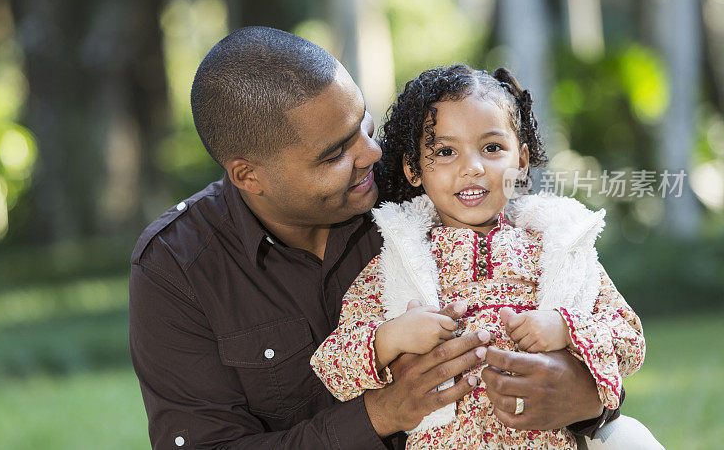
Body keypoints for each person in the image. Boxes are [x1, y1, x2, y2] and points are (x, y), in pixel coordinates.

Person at [129, 27, 620, 450]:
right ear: (249, 175)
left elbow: (576, 302)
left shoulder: (425, 189)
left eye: (362, 123)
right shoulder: (178, 265)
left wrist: (585, 391)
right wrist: (382, 413)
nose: (371, 153)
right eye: (335, 153)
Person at [310, 64, 661, 449]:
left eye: (492, 148)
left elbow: (630, 341)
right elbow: (333, 368)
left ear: (522, 161)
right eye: (445, 151)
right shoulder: (396, 265)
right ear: (414, 168)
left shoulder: (559, 250)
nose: (472, 168)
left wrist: (566, 328)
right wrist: (391, 337)